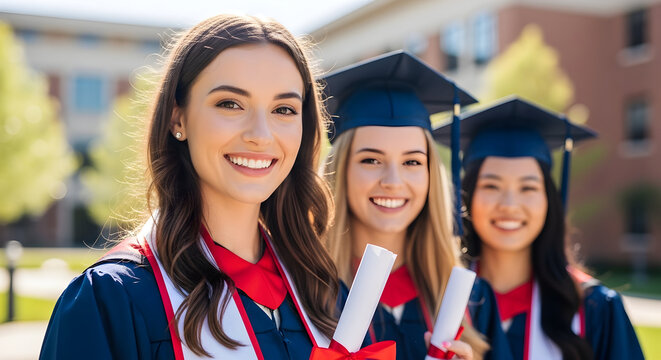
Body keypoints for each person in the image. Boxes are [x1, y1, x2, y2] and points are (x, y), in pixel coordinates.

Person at [40, 14, 355, 359]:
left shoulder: (322, 292)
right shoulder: (112, 300)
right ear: (178, 118)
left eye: (284, 109)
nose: (261, 135)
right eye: (230, 104)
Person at [321, 50, 508, 360]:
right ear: (339, 170)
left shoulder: (472, 300)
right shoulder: (303, 293)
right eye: (371, 159)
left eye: (412, 161)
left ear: (431, 174)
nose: (393, 181)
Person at [433, 96, 645, 360]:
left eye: (528, 188)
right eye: (491, 186)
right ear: (466, 197)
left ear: (549, 201)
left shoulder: (594, 309)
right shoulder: (440, 300)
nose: (510, 205)